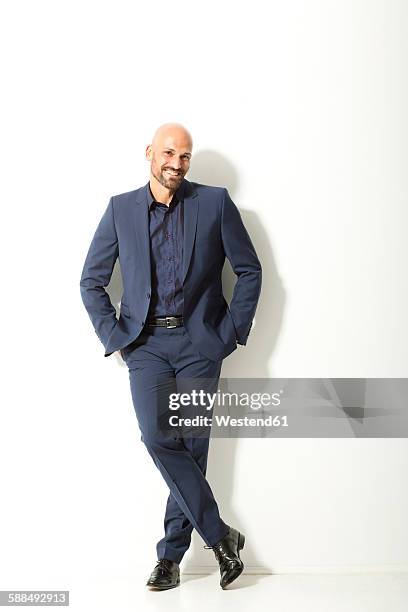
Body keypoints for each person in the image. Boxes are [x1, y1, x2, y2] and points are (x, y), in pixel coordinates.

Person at [79, 122, 262, 590]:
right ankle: (221, 537)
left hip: (201, 344)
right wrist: (116, 336)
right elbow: (91, 280)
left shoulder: (215, 203)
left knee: (193, 445)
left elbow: (249, 270)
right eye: (167, 154)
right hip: (147, 346)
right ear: (149, 154)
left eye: (184, 157)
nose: (175, 164)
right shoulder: (120, 210)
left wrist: (231, 332)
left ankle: (170, 558)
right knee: (157, 435)